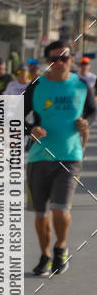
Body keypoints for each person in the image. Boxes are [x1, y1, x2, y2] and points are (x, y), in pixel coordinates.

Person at [24, 42, 96, 276]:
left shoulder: (81, 85)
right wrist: (30, 129)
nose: (60, 62)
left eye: (65, 58)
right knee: (40, 212)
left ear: (72, 60)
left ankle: (60, 247)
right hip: (38, 156)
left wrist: (86, 123)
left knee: (60, 208)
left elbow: (92, 111)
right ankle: (45, 254)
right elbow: (14, 114)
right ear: (47, 61)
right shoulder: (36, 86)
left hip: (70, 154)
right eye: (55, 58)